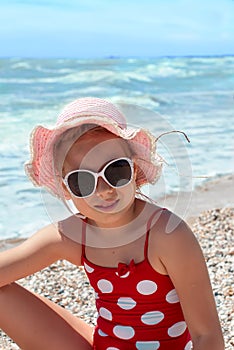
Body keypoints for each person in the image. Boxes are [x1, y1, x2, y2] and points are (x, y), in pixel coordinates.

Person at [0, 97, 224, 350]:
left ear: (135, 171)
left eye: (116, 171)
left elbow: (207, 336)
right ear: (66, 189)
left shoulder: (166, 235)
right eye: (83, 181)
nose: (104, 190)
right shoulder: (71, 236)